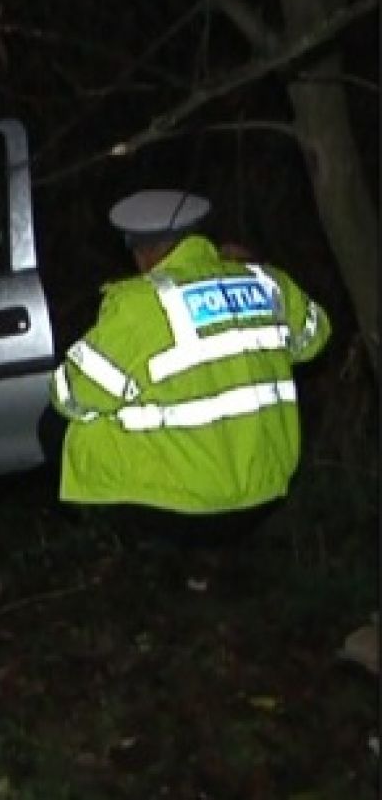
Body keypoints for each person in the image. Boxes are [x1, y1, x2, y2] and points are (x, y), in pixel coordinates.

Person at [45, 189, 331, 567]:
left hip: (186, 507)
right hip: (265, 489)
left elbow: (70, 395)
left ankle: (132, 547)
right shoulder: (267, 283)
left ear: (142, 251)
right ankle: (210, 561)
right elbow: (315, 337)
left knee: (54, 426)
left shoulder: (139, 304)